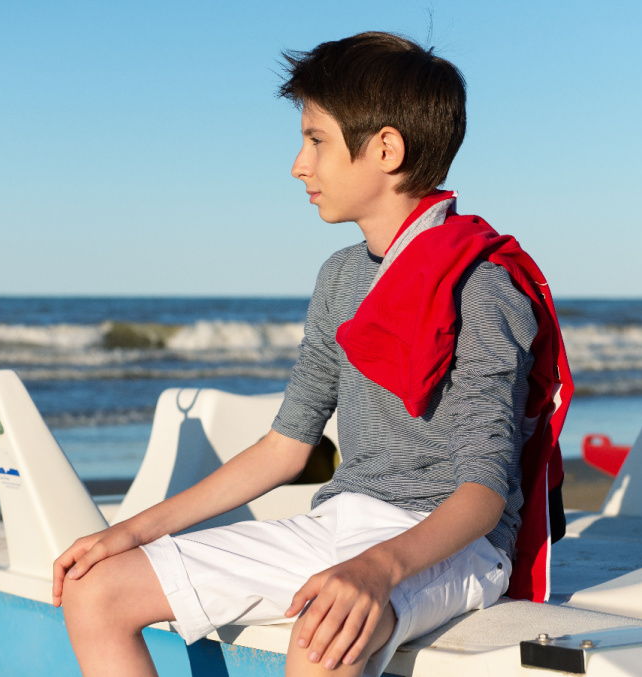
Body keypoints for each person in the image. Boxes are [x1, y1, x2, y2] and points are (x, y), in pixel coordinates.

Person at [52, 31, 572, 677]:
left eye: (316, 140)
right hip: (342, 521)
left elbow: (484, 492)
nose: (299, 164)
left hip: (450, 545)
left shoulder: (483, 286)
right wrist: (132, 529)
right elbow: (285, 447)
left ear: (386, 148)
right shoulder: (339, 278)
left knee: (321, 637)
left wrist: (377, 567)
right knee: (94, 590)